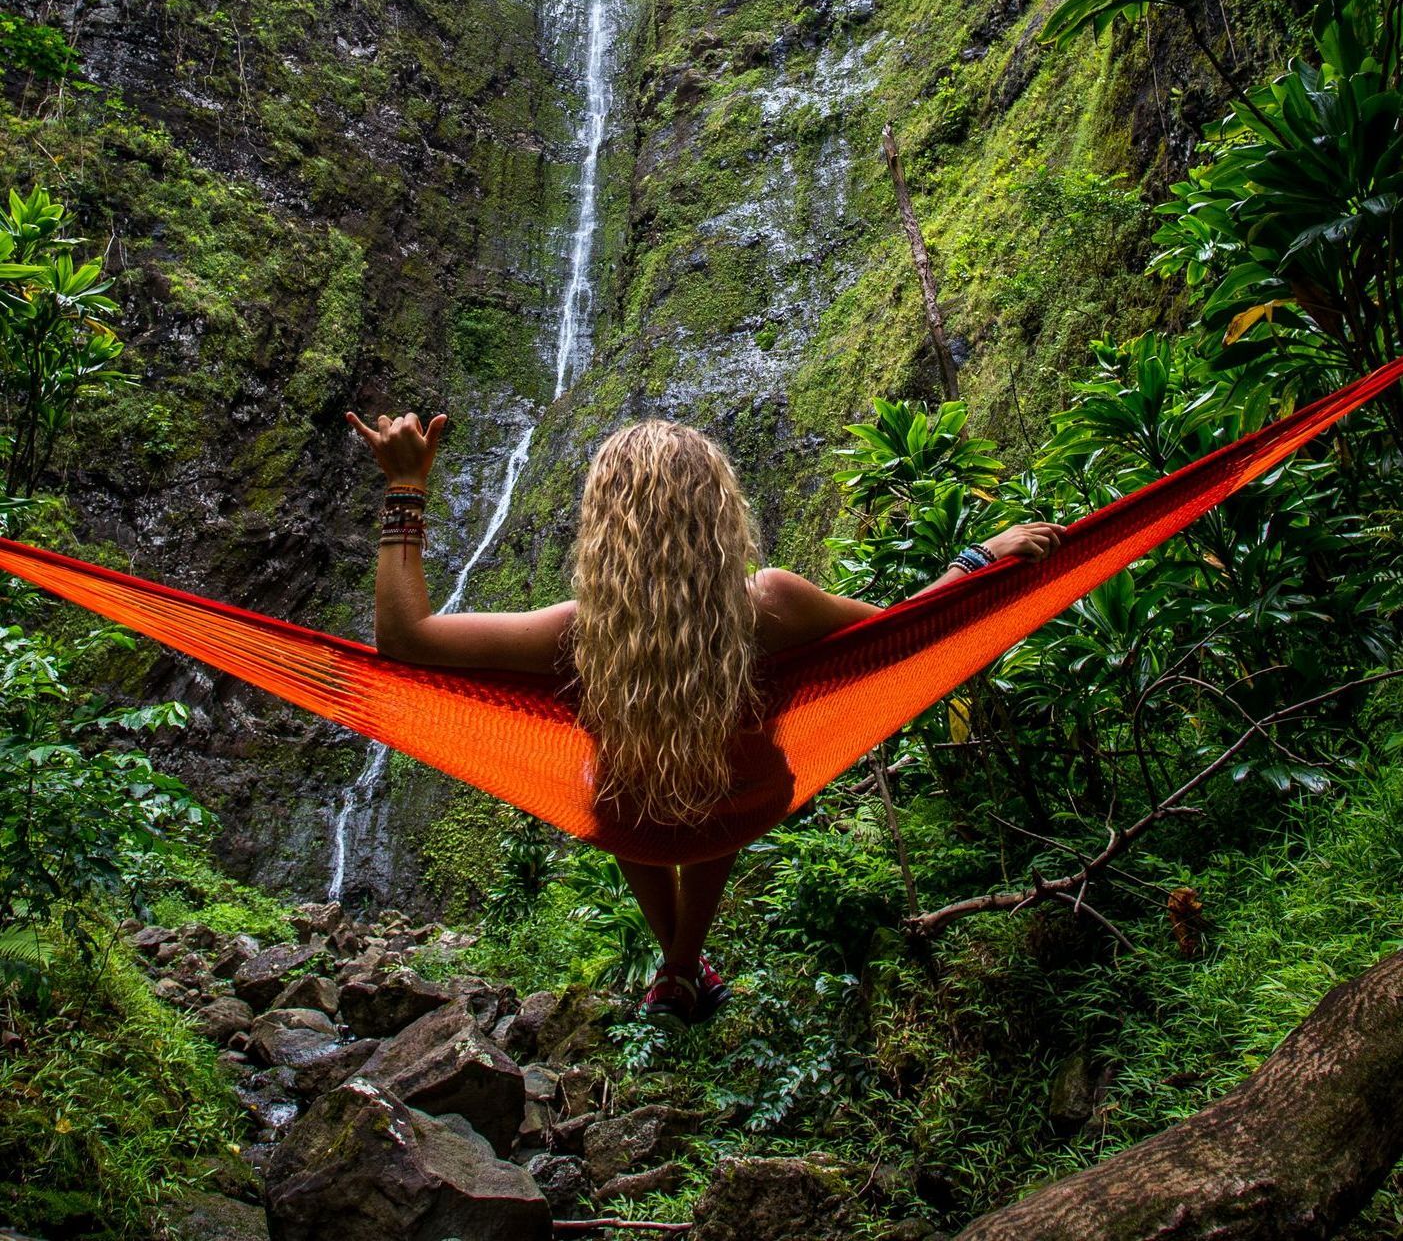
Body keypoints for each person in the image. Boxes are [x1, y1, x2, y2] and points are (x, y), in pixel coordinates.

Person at [346, 406, 1065, 1028]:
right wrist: (979, 557)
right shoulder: (772, 605)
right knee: (718, 760)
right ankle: (684, 967)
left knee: (622, 773)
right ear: (720, 512)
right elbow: (902, 631)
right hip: (744, 806)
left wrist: (406, 487)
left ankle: (678, 964)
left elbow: (405, 639)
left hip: (629, 820)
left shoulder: (573, 634)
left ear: (604, 527)